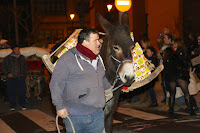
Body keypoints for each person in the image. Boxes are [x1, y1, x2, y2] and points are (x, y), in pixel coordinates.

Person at [49, 28, 111, 133]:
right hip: (75, 115)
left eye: (99, 40)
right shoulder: (67, 58)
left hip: (97, 114)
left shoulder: (98, 58)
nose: (99, 43)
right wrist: (59, 106)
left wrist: (108, 88)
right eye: (95, 40)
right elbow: (56, 84)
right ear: (85, 42)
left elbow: (101, 77)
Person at [162, 38, 196, 116]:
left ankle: (171, 110)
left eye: (174, 44)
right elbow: (186, 62)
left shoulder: (170, 55)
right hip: (180, 75)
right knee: (186, 92)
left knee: (172, 93)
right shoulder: (181, 53)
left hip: (171, 76)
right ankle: (191, 110)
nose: (173, 45)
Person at [1, 44, 29, 111]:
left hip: (21, 77)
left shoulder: (22, 58)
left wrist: (27, 75)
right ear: (13, 50)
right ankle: (12, 105)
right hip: (11, 78)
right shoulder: (7, 58)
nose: (17, 51)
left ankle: (22, 104)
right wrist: (7, 73)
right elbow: (3, 67)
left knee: (22, 91)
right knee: (11, 92)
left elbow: (26, 67)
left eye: (18, 49)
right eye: (16, 49)